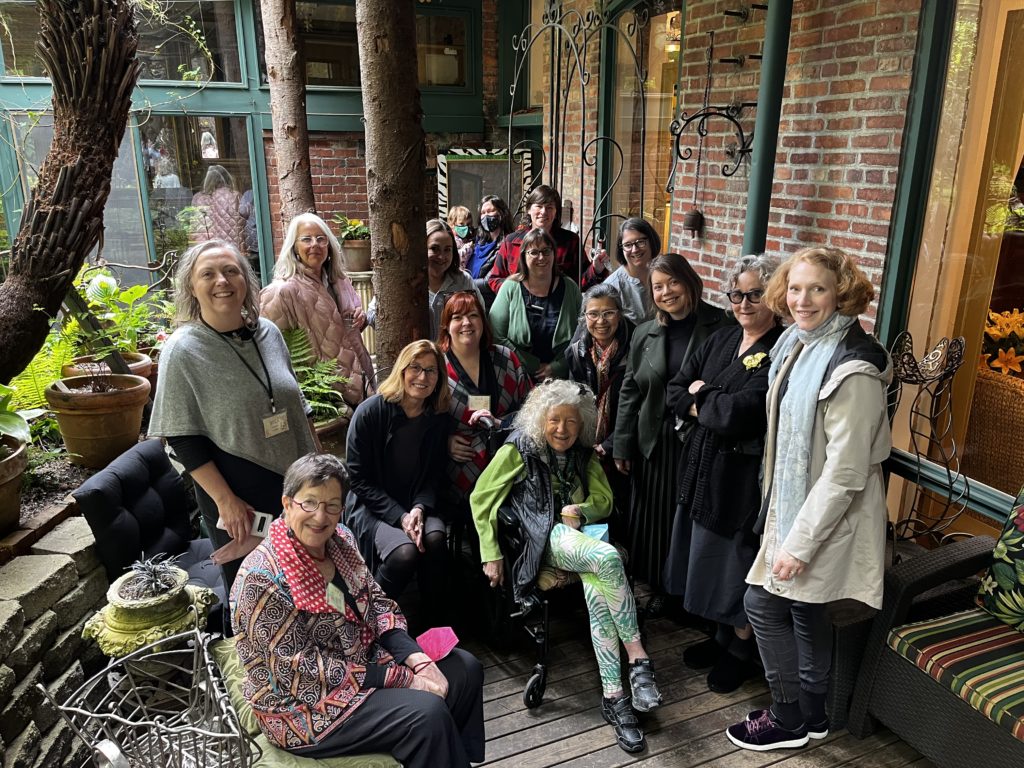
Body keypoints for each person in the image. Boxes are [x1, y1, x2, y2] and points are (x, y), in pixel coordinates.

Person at [725, 247, 891, 751]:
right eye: (795, 288)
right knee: (804, 610)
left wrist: (797, 544)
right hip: (794, 506)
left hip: (827, 516)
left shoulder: (853, 368)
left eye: (817, 288)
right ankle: (814, 714)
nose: (802, 299)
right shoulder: (798, 344)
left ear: (840, 292)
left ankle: (789, 715)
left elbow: (844, 472)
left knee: (763, 603)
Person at [231, 453, 485, 766]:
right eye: (309, 502)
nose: (320, 517)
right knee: (426, 714)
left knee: (465, 669)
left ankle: (446, 756)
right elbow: (303, 672)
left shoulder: (341, 541)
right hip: (302, 704)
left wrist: (415, 659)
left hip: (362, 661)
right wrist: (401, 678)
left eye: (332, 505)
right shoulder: (262, 579)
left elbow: (377, 602)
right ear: (287, 503)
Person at [470, 381, 662, 753]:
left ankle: (615, 697)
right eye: (555, 420)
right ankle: (639, 659)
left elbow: (604, 499)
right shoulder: (519, 449)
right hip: (543, 540)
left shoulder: (583, 453)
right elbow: (481, 498)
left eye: (572, 421)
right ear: (541, 420)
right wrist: (490, 552)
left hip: (582, 539)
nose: (563, 429)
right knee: (607, 558)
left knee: (597, 588)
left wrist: (583, 510)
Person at [149, 239, 317, 596]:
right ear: (191, 288)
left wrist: (319, 472)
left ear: (245, 280)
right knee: (257, 595)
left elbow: (296, 407)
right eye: (207, 274)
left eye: (231, 271)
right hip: (238, 496)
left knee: (306, 585)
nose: (222, 281)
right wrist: (226, 501)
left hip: (294, 484)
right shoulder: (182, 350)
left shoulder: (267, 333)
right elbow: (182, 438)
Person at [664, 254, 783, 694]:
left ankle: (740, 650)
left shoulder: (779, 350)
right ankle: (718, 638)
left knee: (734, 565)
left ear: (773, 296)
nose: (745, 303)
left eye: (755, 294)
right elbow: (676, 387)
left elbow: (742, 412)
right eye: (737, 294)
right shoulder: (721, 339)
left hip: (738, 479)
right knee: (706, 561)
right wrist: (702, 400)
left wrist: (703, 397)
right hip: (701, 470)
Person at [613, 253, 730, 612]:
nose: (666, 292)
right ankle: (661, 587)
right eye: (658, 287)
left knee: (687, 517)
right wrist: (622, 444)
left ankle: (688, 591)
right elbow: (631, 390)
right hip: (654, 438)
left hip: (698, 439)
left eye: (673, 282)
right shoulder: (645, 332)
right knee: (652, 517)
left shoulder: (721, 325)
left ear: (689, 281)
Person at [345, 341, 452, 622]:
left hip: (416, 502)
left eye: (431, 370)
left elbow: (433, 474)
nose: (423, 377)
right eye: (415, 368)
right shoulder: (371, 412)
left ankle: (433, 620)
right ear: (402, 371)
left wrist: (418, 508)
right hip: (373, 506)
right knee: (404, 553)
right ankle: (371, 621)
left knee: (435, 538)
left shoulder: (437, 418)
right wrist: (400, 516)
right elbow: (358, 478)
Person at [260, 212, 374, 409]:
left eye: (321, 239)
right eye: (306, 239)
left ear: (329, 246)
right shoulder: (282, 292)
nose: (315, 244)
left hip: (361, 381)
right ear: (294, 247)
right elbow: (275, 354)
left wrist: (360, 319)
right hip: (327, 398)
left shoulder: (340, 281)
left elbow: (342, 331)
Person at [439, 291, 531, 513]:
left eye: (473, 315)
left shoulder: (506, 358)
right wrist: (445, 442)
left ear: (483, 322)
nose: (466, 323)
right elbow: (421, 421)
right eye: (457, 317)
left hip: (510, 459)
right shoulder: (437, 367)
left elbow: (532, 408)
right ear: (446, 327)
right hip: (462, 467)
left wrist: (503, 424)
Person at [564, 283, 634, 541]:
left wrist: (612, 443)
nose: (600, 321)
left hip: (623, 444)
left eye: (608, 313)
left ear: (620, 313)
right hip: (588, 441)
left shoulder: (637, 345)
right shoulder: (576, 350)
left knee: (621, 507)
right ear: (584, 317)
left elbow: (638, 402)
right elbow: (573, 397)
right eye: (593, 314)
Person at [489, 227, 583, 383]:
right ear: (523, 256)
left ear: (554, 254)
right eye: (534, 252)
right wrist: (533, 366)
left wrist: (557, 367)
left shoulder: (570, 288)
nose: (541, 257)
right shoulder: (510, 287)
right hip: (517, 376)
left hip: (562, 379)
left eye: (547, 251)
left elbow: (582, 334)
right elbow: (496, 335)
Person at [367, 219, 483, 341]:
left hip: (455, 358)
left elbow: (481, 317)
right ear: (421, 248)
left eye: (447, 249)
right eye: (434, 248)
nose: (442, 256)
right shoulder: (404, 281)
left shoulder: (464, 281)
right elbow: (372, 314)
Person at [486, 185, 604, 294]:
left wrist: (596, 269)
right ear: (529, 209)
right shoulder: (511, 241)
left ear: (556, 212)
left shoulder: (570, 241)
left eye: (549, 207)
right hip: (518, 308)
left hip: (557, 309)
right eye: (539, 206)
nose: (543, 212)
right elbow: (494, 278)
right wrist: (515, 291)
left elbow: (581, 282)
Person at [601, 217, 661, 325]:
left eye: (641, 242)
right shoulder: (612, 287)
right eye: (628, 245)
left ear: (651, 241)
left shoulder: (663, 274)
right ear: (621, 249)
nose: (635, 249)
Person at [189, 164, 250, 253]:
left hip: (208, 247)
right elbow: (245, 214)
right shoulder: (235, 195)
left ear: (207, 180)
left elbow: (195, 226)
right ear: (227, 178)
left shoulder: (199, 198)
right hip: (232, 247)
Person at [468, 195, 515, 299]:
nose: (486, 216)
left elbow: (490, 281)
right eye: (483, 213)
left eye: (490, 211)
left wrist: (464, 284)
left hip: (489, 303)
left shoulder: (508, 243)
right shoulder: (478, 242)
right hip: (471, 300)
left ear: (501, 214)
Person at [446, 204, 475, 270]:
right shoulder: (451, 240)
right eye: (461, 223)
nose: (465, 227)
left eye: (468, 224)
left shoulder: (466, 239)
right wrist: (468, 248)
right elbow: (456, 257)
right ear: (452, 224)